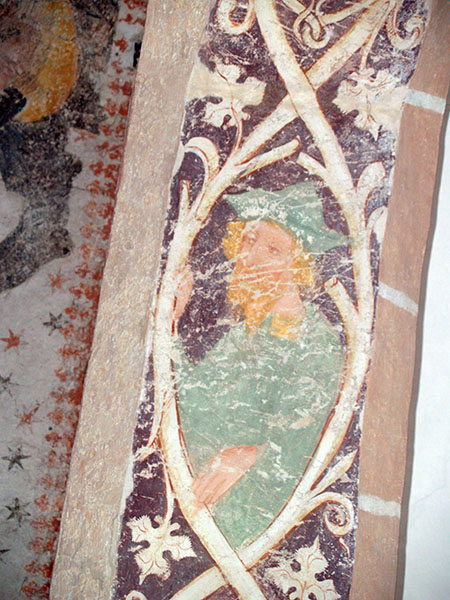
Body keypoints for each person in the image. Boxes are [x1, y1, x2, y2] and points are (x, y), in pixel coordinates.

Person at [171, 184, 345, 549]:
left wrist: (250, 455)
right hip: (202, 508)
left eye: (274, 249)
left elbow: (308, 444)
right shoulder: (245, 334)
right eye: (249, 241)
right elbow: (193, 404)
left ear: (298, 266)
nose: (250, 258)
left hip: (253, 522)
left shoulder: (317, 340)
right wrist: (170, 325)